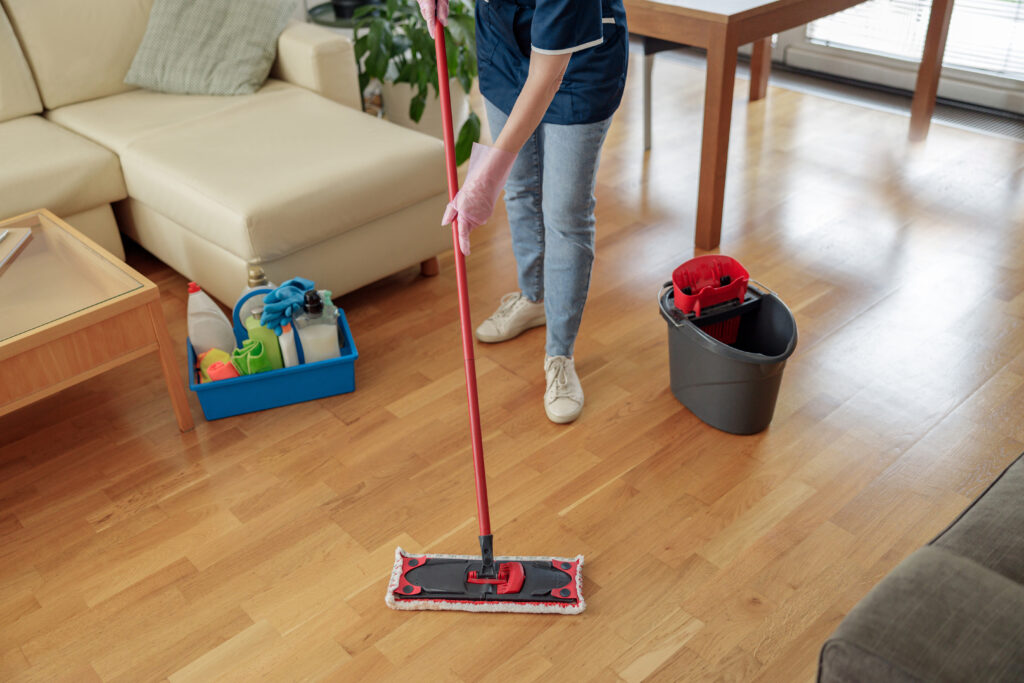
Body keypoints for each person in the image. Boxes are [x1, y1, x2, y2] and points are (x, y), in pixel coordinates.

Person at [419, 0, 628, 424]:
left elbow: (547, 76)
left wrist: (483, 182)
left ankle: (560, 355)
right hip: (503, 45)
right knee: (519, 186)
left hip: (578, 61)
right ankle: (534, 299)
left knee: (565, 213)